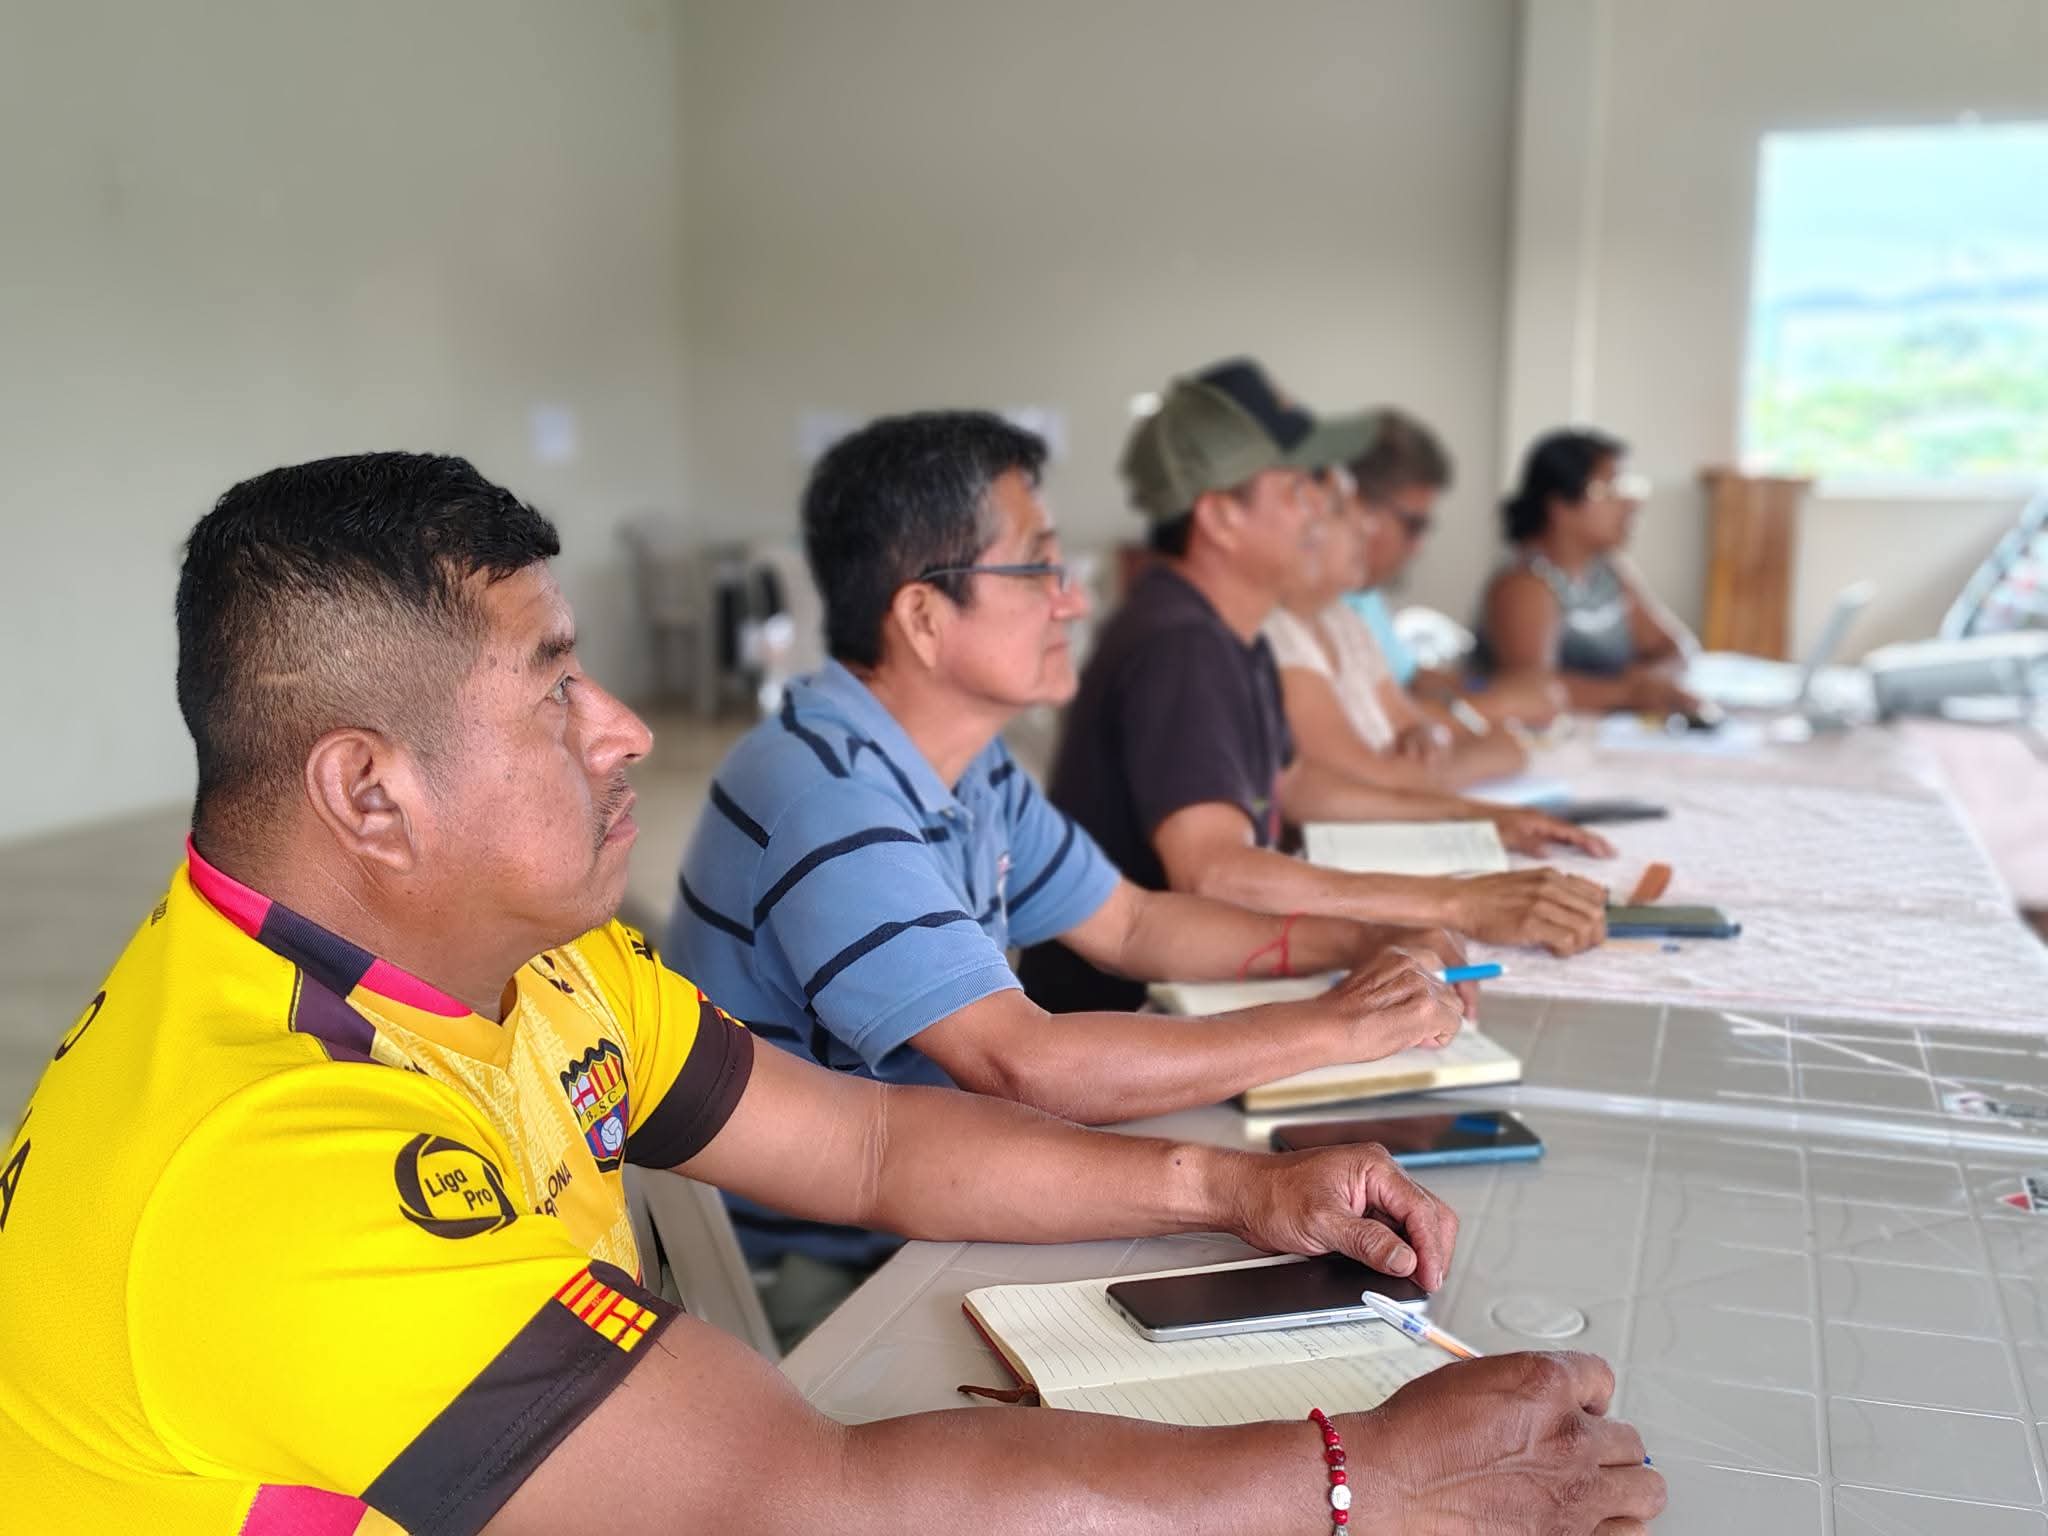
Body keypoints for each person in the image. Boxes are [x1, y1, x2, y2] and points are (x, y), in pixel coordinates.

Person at [0, 450, 1663, 1535]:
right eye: (554, 690)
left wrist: (1238, 1188)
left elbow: (868, 1144)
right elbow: (811, 1501)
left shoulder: (533, 960)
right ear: (370, 793)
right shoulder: (269, 1162)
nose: (624, 731)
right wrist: (1364, 1478)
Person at [666, 412, 1469, 1334]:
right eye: (1038, 568)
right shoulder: (827, 791)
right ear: (924, 617)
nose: (1073, 602)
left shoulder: (969, 765)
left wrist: (1367, 944)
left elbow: (1134, 925)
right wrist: (1335, 1025)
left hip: (946, 1185)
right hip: (830, 1273)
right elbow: (1022, 1061)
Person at [1024, 362, 1615, 1017]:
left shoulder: (1232, 630)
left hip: (1200, 988)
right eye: (1300, 489)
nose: (1328, 513)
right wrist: (1456, 902)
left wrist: (1473, 818)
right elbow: (1214, 869)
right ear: (1220, 517)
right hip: (1130, 1018)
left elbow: (1294, 784)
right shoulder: (1182, 645)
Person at [1266, 456, 1536, 793]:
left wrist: (1429, 736)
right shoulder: (1275, 632)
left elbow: (1411, 723)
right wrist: (1483, 755)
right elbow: (1360, 778)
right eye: (1340, 511)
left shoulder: (1342, 619)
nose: (1366, 528)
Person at [1338, 409, 1565, 733]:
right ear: (1357, 506)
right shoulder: (1315, 599)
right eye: (1413, 525)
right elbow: (1362, 722)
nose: (1418, 547)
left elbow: (1411, 678)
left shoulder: (1363, 593)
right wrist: (1499, 704)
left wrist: (1486, 688)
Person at [1478, 428, 1701, 715]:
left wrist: (1654, 680)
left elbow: (1675, 647)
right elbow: (1532, 689)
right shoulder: (1522, 584)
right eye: (1609, 489)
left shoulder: (1610, 573)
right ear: (1559, 505)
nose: (1630, 503)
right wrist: (1630, 692)